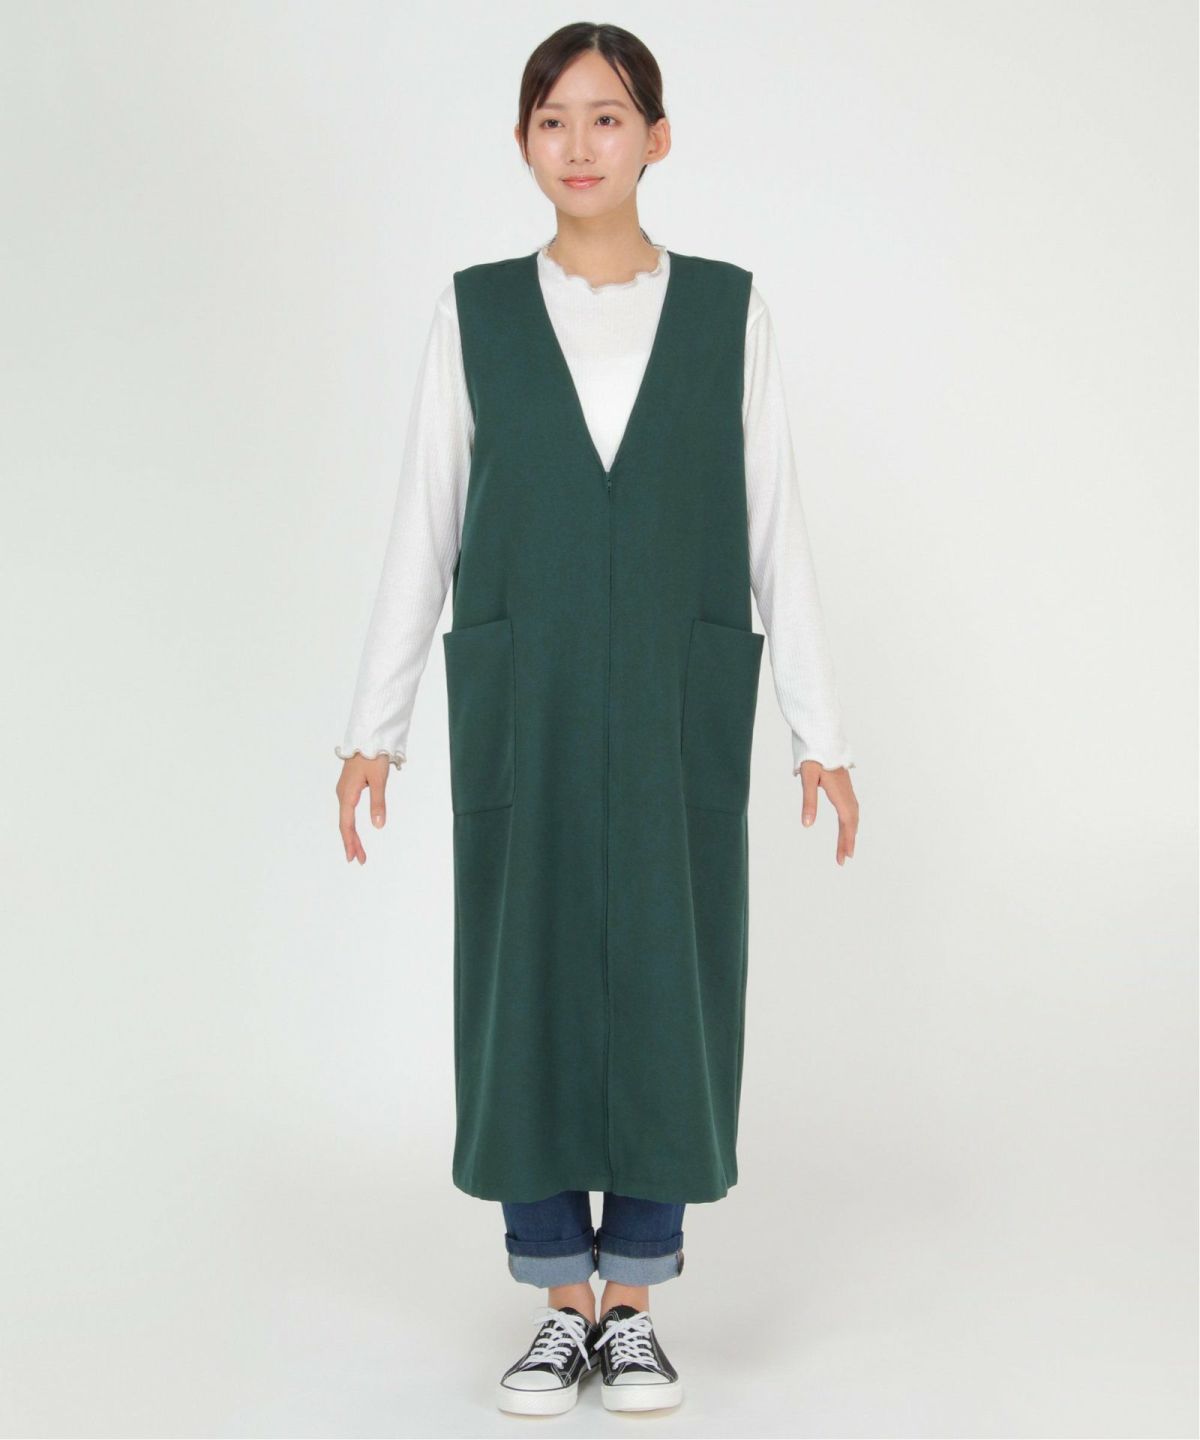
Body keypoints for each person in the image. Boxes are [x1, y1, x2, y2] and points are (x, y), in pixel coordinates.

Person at [334, 22, 860, 1417]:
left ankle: (635, 1302)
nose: (580, 144)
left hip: (676, 699)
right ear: (523, 142)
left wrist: (820, 734)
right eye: (554, 119)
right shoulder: (476, 314)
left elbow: (775, 525)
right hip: (534, 697)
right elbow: (424, 523)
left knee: (672, 974)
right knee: (528, 973)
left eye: (608, 116)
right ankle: (557, 1302)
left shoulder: (728, 312)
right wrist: (374, 727)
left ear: (657, 138)